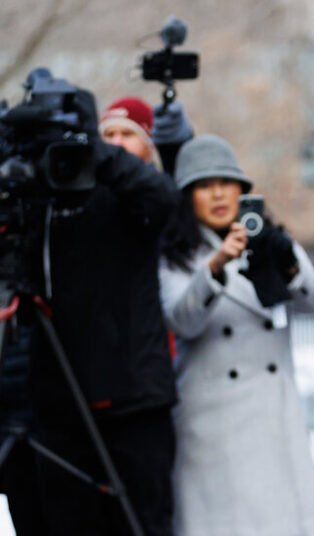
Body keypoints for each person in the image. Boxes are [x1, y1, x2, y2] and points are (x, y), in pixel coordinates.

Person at [21, 84, 179, 535]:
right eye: (106, 133)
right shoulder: (47, 201)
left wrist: (94, 149)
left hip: (134, 404)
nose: (114, 142)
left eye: (125, 136)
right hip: (62, 405)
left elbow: (163, 200)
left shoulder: (139, 198)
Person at [158, 134, 314, 536]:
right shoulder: (176, 255)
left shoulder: (270, 239)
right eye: (204, 185)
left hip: (275, 415)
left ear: (243, 190)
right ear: (188, 197)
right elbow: (181, 321)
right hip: (211, 423)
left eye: (226, 182)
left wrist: (289, 267)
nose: (218, 194)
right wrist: (215, 267)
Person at [100, 96, 193, 175]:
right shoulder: (93, 191)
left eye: (127, 134)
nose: (116, 142)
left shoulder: (164, 190)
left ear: (150, 142)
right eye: (109, 135)